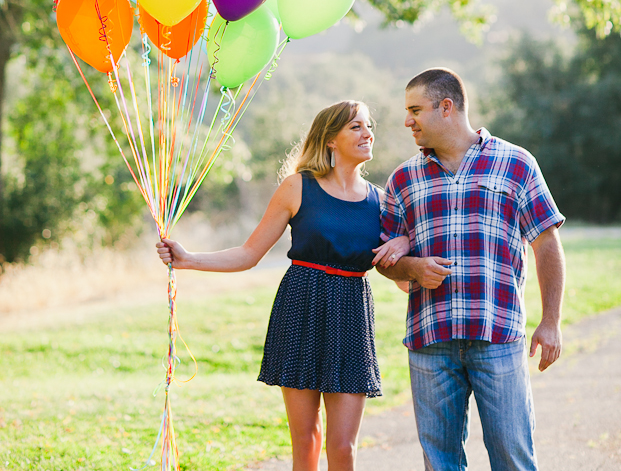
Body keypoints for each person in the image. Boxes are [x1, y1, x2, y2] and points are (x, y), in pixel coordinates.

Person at [156, 99, 410, 471]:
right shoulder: (297, 188)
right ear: (330, 139)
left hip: (352, 316)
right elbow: (249, 254)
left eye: (368, 126)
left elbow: (403, 279)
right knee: (306, 441)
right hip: (301, 307)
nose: (367, 133)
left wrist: (404, 244)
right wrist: (188, 258)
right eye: (356, 126)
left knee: (343, 447)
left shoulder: (382, 202)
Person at [377, 68, 565, 471]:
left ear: (446, 107)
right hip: (431, 339)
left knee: (513, 458)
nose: (407, 120)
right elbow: (387, 262)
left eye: (415, 110)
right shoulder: (403, 178)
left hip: (497, 335)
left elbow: (546, 243)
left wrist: (551, 321)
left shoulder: (516, 163)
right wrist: (412, 267)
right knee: (440, 463)